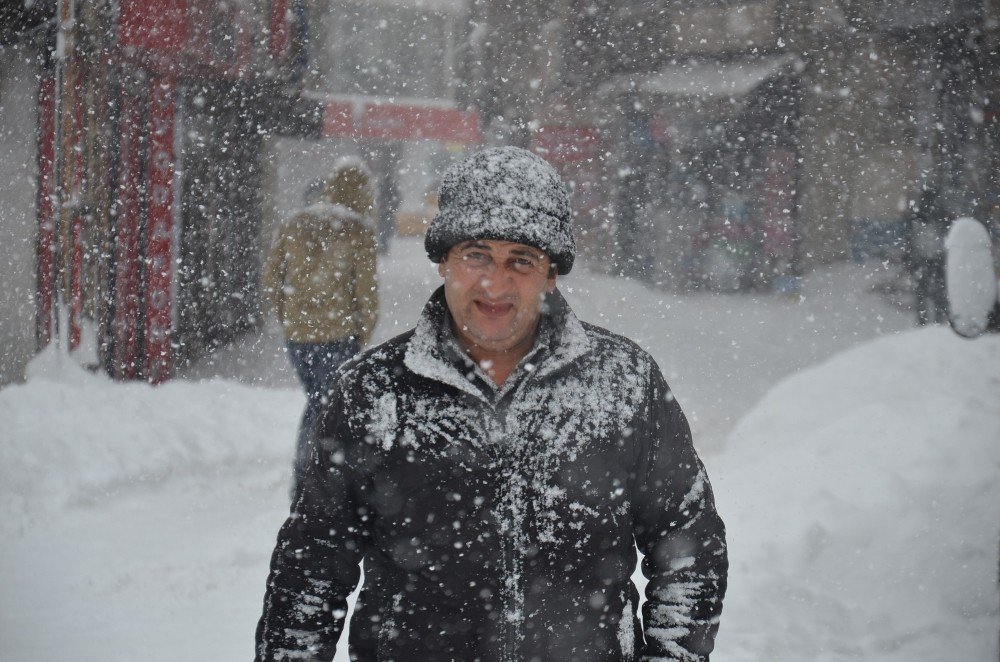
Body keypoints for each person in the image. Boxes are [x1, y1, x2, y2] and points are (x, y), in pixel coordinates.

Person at [255, 146, 727, 661]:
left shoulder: (623, 383)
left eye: (520, 261)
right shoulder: (375, 391)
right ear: (444, 262)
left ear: (551, 274)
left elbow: (689, 546)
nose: (494, 284)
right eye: (476, 254)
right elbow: (312, 568)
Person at [262, 156, 380, 488]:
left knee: (319, 401)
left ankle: (317, 475)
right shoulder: (359, 230)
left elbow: (272, 279)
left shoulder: (294, 223)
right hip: (338, 334)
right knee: (325, 406)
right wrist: (363, 331)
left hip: (298, 337)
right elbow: (366, 291)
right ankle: (311, 478)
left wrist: (289, 317)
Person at [905, 188, 949, 325]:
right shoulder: (940, 216)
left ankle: (925, 321)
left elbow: (911, 240)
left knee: (923, 293)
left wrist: (910, 258)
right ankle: (937, 320)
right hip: (935, 258)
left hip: (924, 259)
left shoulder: (917, 217)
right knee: (937, 293)